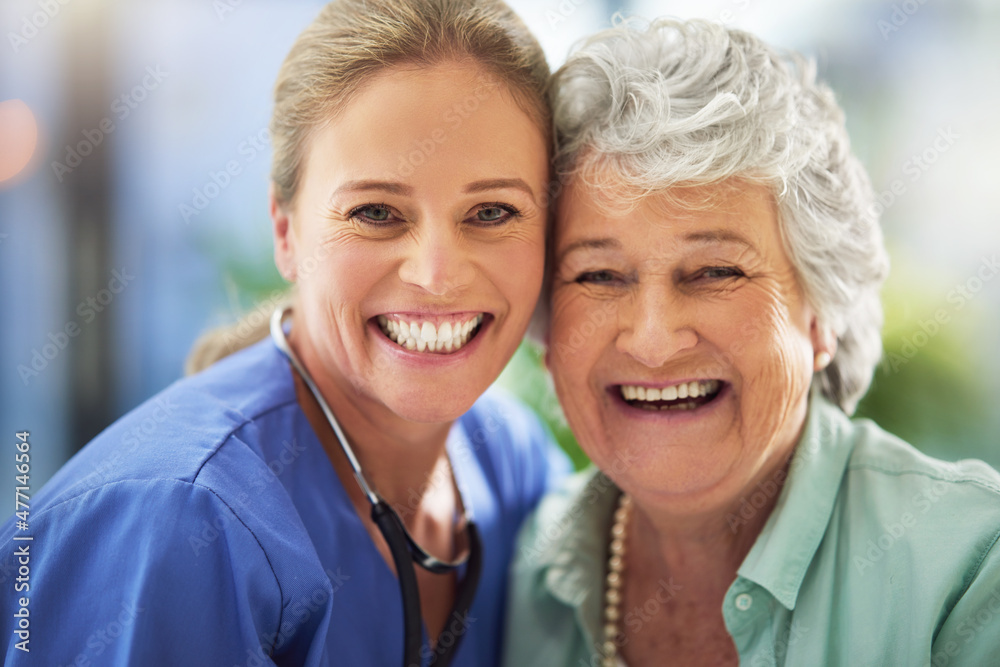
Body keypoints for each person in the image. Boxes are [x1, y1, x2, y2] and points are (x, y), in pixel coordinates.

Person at [0, 1, 568, 665]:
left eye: (493, 211)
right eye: (376, 211)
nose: (436, 276)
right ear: (285, 230)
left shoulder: (510, 463)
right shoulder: (178, 522)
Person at [504, 17, 1000, 667]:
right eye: (598, 275)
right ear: (545, 331)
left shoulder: (970, 567)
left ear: (821, 313)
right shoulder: (515, 572)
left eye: (716, 271)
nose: (654, 340)